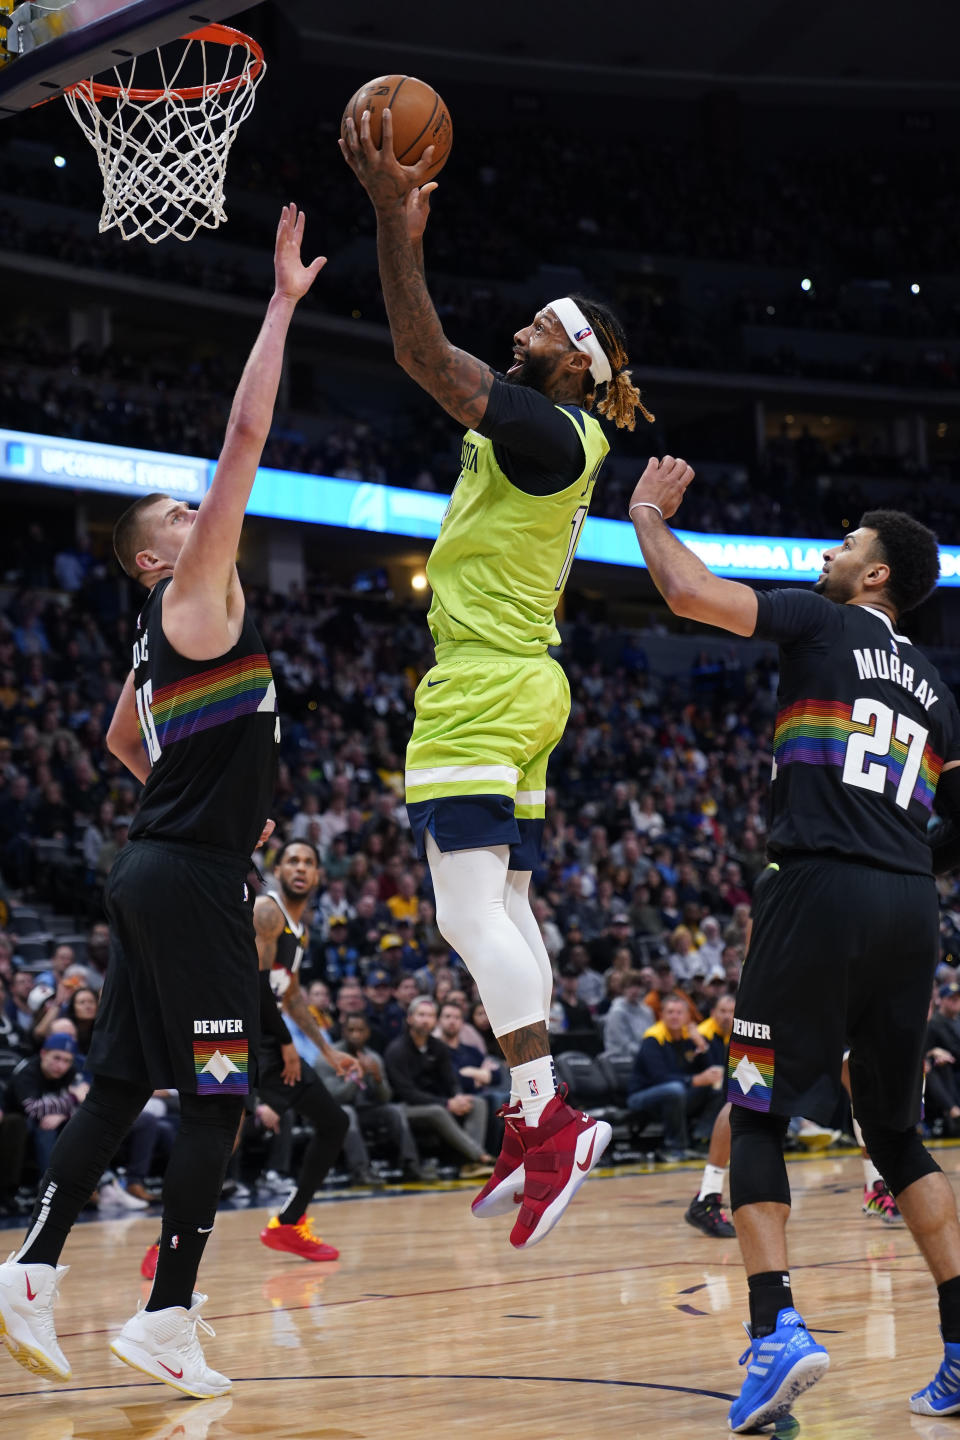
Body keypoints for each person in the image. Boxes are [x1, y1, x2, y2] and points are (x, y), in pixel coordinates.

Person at [0, 205, 326, 1399]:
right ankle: (167, 1315)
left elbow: (115, 736)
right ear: (154, 560)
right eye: (181, 521)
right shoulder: (193, 596)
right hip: (185, 876)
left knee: (124, 1082)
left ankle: (28, 1272)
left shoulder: (156, 639)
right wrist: (282, 303)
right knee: (220, 1094)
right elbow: (246, 431)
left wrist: (197, 801)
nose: (203, 519)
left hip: (158, 862)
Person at [341, 108, 653, 1249]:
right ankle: (540, 1123)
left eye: (539, 325)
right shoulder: (560, 434)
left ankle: (546, 1114)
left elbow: (422, 358)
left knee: (466, 912)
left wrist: (392, 225)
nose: (519, 330)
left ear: (578, 359)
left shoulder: (551, 429)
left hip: (483, 682)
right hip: (524, 681)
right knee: (509, 907)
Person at [630, 467, 960, 1428]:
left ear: (875, 578)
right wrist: (904, 865)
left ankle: (775, 1330)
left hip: (817, 884)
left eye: (846, 543)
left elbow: (690, 594)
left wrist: (648, 513)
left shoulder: (822, 625)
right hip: (911, 906)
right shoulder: (940, 690)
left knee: (758, 1107)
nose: (829, 551)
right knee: (896, 1136)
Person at [252, 839, 362, 1261]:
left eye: (309, 862)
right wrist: (286, 1045)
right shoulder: (266, 911)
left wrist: (328, 1051)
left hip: (266, 1034)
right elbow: (255, 987)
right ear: (277, 870)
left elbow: (291, 994)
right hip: (231, 1035)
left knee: (333, 1122)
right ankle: (164, 1244)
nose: (300, 868)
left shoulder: (301, 928)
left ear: (318, 875)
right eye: (292, 861)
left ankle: (289, 1223)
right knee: (216, 1142)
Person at [384, 997, 495, 1178]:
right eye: (421, 1015)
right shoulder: (396, 1050)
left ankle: (467, 1165)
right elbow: (406, 1093)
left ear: (435, 1021)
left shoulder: (438, 1048)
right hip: (403, 1108)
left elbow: (451, 1081)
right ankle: (479, 1156)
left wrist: (458, 1097)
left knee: (477, 1103)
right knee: (438, 1110)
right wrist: (447, 1103)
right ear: (410, 1018)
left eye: (430, 1015)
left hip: (437, 1102)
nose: (426, 1019)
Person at [627, 994, 725, 1161]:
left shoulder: (690, 1037)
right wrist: (693, 1081)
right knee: (674, 1089)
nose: (675, 1016)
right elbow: (659, 1077)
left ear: (687, 1016)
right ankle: (674, 1147)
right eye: (670, 1012)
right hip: (643, 1097)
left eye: (679, 1012)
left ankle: (700, 1139)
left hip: (677, 1096)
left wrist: (702, 1045)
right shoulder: (653, 1038)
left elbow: (710, 1070)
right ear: (661, 1015)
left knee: (720, 1085)